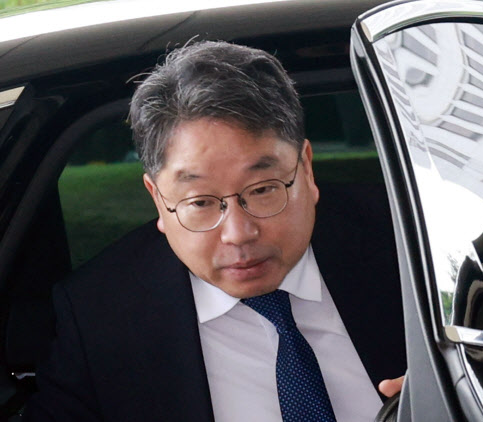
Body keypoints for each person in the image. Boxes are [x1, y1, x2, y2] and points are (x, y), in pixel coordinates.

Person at [24, 41, 406, 421]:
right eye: (200, 202)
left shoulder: (411, 245)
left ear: (306, 169)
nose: (238, 233)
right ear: (157, 198)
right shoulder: (100, 318)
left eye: (263, 190)